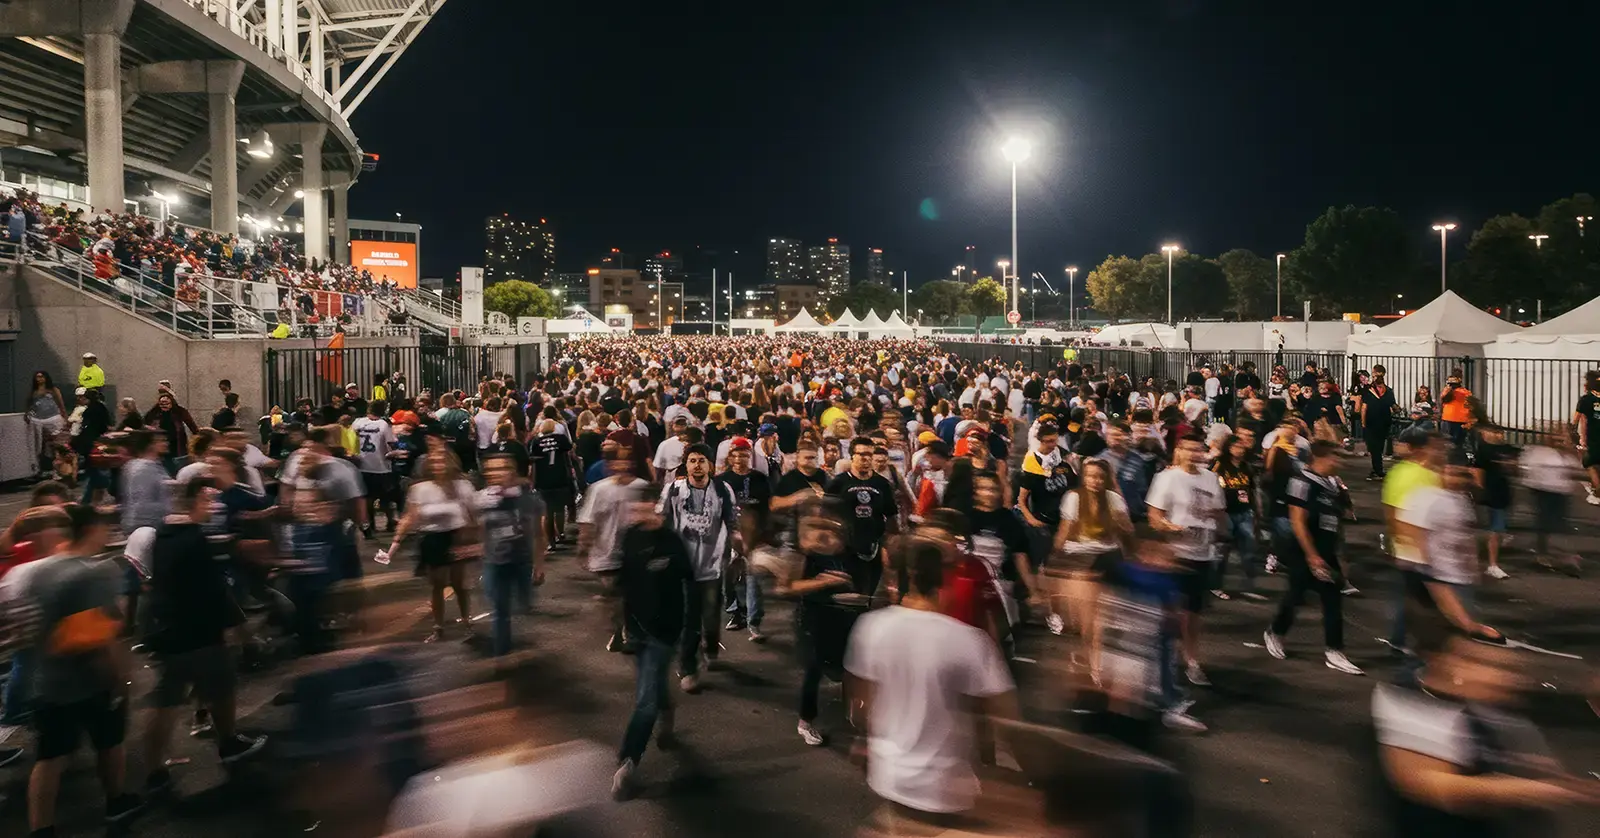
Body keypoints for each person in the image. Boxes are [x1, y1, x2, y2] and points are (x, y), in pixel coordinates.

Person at [844, 535, 1017, 826]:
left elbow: (860, 705)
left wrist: (867, 740)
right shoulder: (970, 642)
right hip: (947, 789)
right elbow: (1008, 719)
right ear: (947, 581)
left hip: (891, 778)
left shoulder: (871, 627)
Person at [1372, 636, 1600, 835]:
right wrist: (1531, 789)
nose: (1508, 680)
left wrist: (1546, 774)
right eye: (1490, 666)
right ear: (1451, 666)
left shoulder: (1480, 706)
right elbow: (1429, 785)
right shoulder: (1412, 706)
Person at [12, 504, 144, 834]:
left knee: (50, 758)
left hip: (46, 680)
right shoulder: (93, 573)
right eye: (103, 528)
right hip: (88, 683)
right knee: (110, 743)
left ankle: (41, 828)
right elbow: (98, 639)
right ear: (90, 530)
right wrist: (119, 680)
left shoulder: (39, 570)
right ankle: (116, 802)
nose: (107, 535)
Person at [141, 480, 267, 794]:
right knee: (221, 689)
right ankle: (228, 742)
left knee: (167, 701)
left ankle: (154, 771)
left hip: (167, 630)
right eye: (207, 500)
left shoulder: (161, 533)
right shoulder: (194, 540)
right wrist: (239, 630)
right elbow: (214, 592)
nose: (211, 506)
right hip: (199, 633)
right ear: (193, 501)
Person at [611, 488, 694, 801]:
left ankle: (627, 763)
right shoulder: (630, 536)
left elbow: (688, 581)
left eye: (649, 508)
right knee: (654, 685)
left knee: (644, 698)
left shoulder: (672, 542)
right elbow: (623, 580)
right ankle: (669, 717)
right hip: (636, 631)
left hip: (664, 633)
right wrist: (619, 622)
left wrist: (686, 633)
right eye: (637, 509)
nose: (643, 515)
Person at [1263, 440, 1363, 675]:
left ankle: (1334, 650)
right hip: (1304, 551)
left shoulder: (1332, 483)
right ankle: (1275, 632)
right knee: (1296, 595)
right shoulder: (1302, 481)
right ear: (1321, 459)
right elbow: (1297, 520)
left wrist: (1337, 554)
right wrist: (1311, 555)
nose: (1339, 462)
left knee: (1332, 600)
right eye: (1335, 457)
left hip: (1326, 550)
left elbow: (1336, 518)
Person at [775, 500, 860, 747]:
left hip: (842, 617)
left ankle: (855, 716)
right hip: (812, 618)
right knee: (813, 670)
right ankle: (805, 722)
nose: (827, 530)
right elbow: (787, 587)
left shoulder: (846, 551)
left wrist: (853, 591)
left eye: (833, 525)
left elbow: (852, 581)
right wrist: (824, 582)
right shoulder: (804, 553)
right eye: (820, 524)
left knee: (848, 668)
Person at [1146, 433, 1227, 687]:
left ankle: (1192, 661)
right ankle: (1160, 661)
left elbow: (1219, 512)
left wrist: (1219, 534)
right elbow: (1154, 517)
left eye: (1198, 449)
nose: (1193, 454)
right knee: (1168, 613)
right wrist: (1171, 528)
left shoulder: (1211, 478)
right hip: (1173, 555)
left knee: (1193, 615)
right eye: (1188, 449)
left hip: (1201, 554)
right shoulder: (1166, 478)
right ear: (1179, 451)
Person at [658, 444, 740, 692]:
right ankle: (688, 667)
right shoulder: (673, 490)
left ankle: (711, 645)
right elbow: (663, 523)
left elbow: (732, 523)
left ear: (710, 465)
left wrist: (738, 551)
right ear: (686, 465)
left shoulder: (723, 490)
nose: (697, 465)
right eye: (692, 461)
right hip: (683, 567)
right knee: (688, 618)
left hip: (713, 566)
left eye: (701, 460)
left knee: (712, 616)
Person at [386, 449, 479, 642]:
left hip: (457, 536)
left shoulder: (463, 486)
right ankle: (438, 627)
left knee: (459, 584)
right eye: (434, 462)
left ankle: (466, 621)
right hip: (432, 538)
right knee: (437, 585)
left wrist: (474, 541)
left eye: (442, 461)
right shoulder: (420, 488)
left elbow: (473, 515)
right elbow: (410, 517)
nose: (439, 465)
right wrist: (395, 543)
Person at [477, 453, 547, 657]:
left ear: (512, 472)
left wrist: (539, 564)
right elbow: (476, 528)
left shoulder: (527, 499)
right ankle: (502, 651)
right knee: (500, 607)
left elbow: (537, 534)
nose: (496, 473)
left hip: (521, 559)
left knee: (524, 603)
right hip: (494, 561)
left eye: (501, 468)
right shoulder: (482, 499)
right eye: (491, 469)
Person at [578, 448, 647, 652]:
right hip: (605, 552)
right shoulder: (600, 489)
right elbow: (588, 520)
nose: (622, 466)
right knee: (613, 594)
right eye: (618, 461)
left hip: (634, 553)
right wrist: (584, 546)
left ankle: (628, 631)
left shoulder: (641, 487)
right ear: (610, 465)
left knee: (630, 595)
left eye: (627, 461)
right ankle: (618, 630)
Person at [827, 437, 900, 599]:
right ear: (852, 456)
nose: (865, 459)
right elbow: (826, 513)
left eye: (869, 455)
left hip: (873, 547)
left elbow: (891, 516)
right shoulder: (838, 483)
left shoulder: (882, 484)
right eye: (861, 454)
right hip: (845, 548)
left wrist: (893, 542)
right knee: (849, 593)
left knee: (868, 593)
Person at [717, 438, 773, 641]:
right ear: (730, 457)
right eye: (736, 454)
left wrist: (765, 534)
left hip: (755, 535)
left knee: (753, 578)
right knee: (728, 576)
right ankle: (735, 612)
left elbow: (767, 507)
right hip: (729, 534)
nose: (740, 458)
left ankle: (754, 622)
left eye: (744, 454)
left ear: (749, 456)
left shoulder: (759, 478)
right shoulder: (722, 480)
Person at [1016, 421, 1076, 581]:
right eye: (1049, 441)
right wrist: (1031, 519)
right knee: (1043, 557)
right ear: (1040, 441)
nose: (1053, 444)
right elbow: (1022, 498)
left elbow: (1073, 482)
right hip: (1045, 518)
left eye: (1055, 440)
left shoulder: (1061, 456)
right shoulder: (1031, 463)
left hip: (1065, 516)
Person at [1212, 434, 1265, 601]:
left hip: (1245, 512)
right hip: (1226, 512)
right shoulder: (1219, 466)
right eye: (1236, 447)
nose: (1240, 450)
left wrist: (1257, 510)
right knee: (1222, 551)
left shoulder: (1246, 467)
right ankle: (1215, 585)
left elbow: (1253, 490)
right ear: (1229, 448)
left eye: (1242, 447)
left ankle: (1249, 586)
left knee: (1249, 550)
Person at [1473, 424, 1516, 580]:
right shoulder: (1483, 451)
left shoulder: (1506, 449)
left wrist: (1511, 465)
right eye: (1494, 432)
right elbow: (1477, 470)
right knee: (1494, 530)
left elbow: (1514, 466)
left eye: (1500, 433)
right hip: (1491, 493)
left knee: (1496, 529)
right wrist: (1480, 489)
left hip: (1502, 492)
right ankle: (1492, 564)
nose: (1498, 435)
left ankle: (1490, 560)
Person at [351, 399, 397, 536]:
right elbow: (390, 443)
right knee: (386, 497)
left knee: (367, 497)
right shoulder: (384, 425)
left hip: (362, 464)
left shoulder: (357, 423)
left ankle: (369, 526)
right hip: (381, 465)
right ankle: (389, 524)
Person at [530, 419, 576, 549]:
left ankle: (551, 542)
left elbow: (533, 462)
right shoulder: (561, 438)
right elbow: (569, 449)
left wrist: (533, 482)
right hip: (560, 476)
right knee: (560, 509)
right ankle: (560, 534)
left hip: (543, 479)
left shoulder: (536, 442)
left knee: (547, 512)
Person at [25, 371, 67, 479]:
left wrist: (65, 418)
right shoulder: (33, 392)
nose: (39, 379)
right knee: (39, 445)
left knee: (57, 444)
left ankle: (59, 471)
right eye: (37, 377)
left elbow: (61, 404)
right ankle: (38, 469)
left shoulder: (53, 390)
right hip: (37, 419)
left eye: (41, 376)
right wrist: (27, 414)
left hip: (53, 418)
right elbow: (30, 406)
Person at [1359, 372, 1397, 480]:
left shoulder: (1371, 392)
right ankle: (1377, 469)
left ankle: (1377, 470)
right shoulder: (1386, 391)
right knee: (1376, 447)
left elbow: (1364, 408)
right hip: (1380, 422)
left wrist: (1363, 423)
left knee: (1376, 447)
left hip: (1377, 422)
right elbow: (1393, 405)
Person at [1571, 370, 1600, 505]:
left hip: (1594, 438)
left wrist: (1574, 434)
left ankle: (1598, 492)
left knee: (1588, 463)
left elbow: (1575, 420)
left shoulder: (1585, 400)